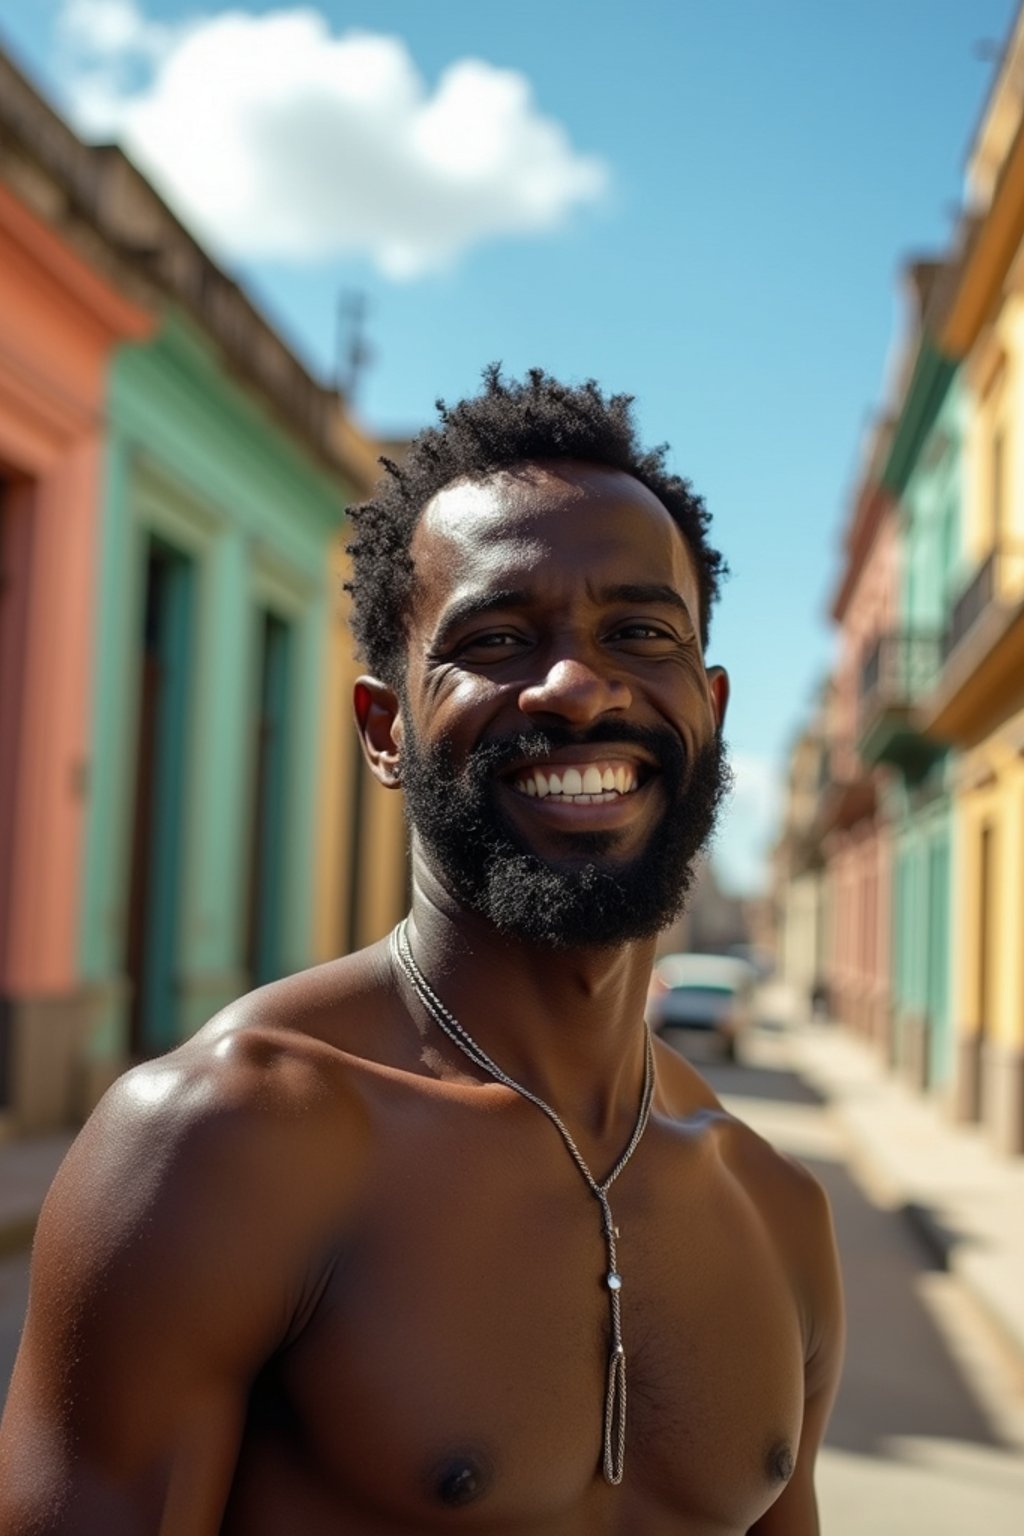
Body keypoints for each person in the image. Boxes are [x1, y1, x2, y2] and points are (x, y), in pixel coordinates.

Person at [0, 367, 844, 1534]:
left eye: (639, 632)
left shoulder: (774, 1208)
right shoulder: (222, 1141)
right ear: (385, 728)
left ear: (706, 707)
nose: (574, 686)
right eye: (495, 639)